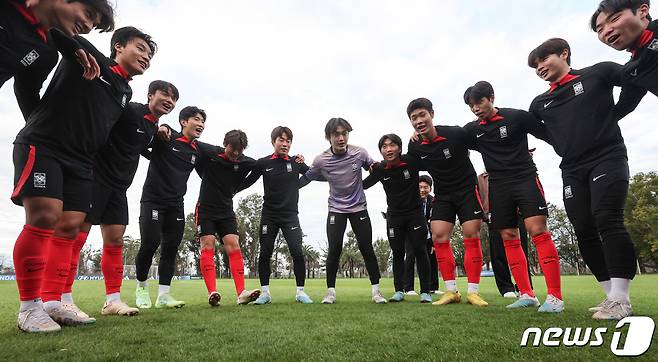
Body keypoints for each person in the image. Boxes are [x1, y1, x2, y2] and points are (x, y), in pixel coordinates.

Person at [11, 26, 154, 332]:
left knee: (70, 227)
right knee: (44, 217)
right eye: (141, 48)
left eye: (150, 54)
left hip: (82, 162)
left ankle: (54, 302)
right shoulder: (89, 56)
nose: (146, 57)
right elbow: (52, 27)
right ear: (118, 46)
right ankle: (29, 308)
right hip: (45, 148)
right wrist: (38, 120)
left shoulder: (125, 92)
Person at [528, 38, 640, 319]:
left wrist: (615, 113)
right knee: (583, 228)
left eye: (544, 59)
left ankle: (621, 298)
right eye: (535, 65)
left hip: (608, 157)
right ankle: (609, 297)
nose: (540, 67)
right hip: (572, 168)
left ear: (564, 53)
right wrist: (562, 143)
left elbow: (634, 80)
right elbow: (538, 130)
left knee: (606, 217)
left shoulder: (597, 73)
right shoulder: (540, 103)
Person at [57, 80, 177, 319]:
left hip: (119, 188)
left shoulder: (153, 127)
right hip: (94, 179)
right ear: (150, 94)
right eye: (165, 94)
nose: (169, 100)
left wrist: (162, 133)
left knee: (115, 241)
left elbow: (144, 150)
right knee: (76, 238)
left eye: (173, 98)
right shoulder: (129, 110)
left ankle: (112, 300)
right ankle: (61, 298)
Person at [463, 81, 563, 312]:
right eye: (471, 105)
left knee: (537, 230)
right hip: (498, 185)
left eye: (480, 102)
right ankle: (526, 293)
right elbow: (452, 139)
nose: (476, 108)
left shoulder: (517, 117)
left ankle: (555, 297)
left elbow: (549, 133)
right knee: (508, 235)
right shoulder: (472, 129)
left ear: (491, 98)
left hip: (525, 178)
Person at [406, 98, 488, 307]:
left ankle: (473, 291)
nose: (419, 121)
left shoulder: (455, 134)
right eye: (414, 118)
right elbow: (409, 168)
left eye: (422, 115)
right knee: (438, 236)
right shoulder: (415, 145)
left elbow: (484, 145)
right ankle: (451, 291)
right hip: (443, 195)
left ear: (432, 114)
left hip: (468, 191)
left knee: (471, 234)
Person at [301, 118, 385, 304]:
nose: (341, 138)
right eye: (336, 134)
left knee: (366, 248)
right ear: (328, 137)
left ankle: (376, 292)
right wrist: (287, 188)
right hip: (336, 209)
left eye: (344, 133)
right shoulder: (321, 160)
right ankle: (330, 292)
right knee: (334, 249)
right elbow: (307, 177)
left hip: (359, 208)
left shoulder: (359, 153)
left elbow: (374, 168)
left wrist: (371, 176)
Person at [134, 106, 206, 309]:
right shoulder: (166, 138)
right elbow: (141, 144)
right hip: (153, 201)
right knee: (150, 243)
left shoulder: (198, 149)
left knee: (171, 248)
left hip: (176, 205)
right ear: (183, 121)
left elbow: (220, 153)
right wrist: (160, 128)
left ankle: (164, 295)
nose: (200, 124)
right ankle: (141, 288)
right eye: (196, 119)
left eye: (203, 121)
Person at [237, 126, 313, 304]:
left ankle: (300, 292)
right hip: (269, 216)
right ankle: (265, 293)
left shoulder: (296, 162)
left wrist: (296, 185)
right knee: (265, 253)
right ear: (273, 142)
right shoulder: (264, 163)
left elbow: (313, 174)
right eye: (281, 140)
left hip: (290, 216)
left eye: (288, 141)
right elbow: (248, 181)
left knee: (297, 252)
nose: (285, 144)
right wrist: (231, 191)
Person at [1, 0, 115, 119]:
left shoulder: (45, 54)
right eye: (88, 14)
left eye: (94, 25)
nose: (89, 27)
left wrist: (40, 131)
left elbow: (27, 93)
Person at [363, 134, 433, 303]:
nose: (388, 149)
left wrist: (416, 138)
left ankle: (425, 291)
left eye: (392, 145)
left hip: (415, 214)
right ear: (380, 151)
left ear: (399, 148)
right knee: (398, 252)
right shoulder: (380, 169)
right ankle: (399, 290)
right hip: (394, 217)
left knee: (420, 250)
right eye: (384, 146)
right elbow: (362, 185)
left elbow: (429, 156)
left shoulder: (411, 161)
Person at [195, 129, 261, 307]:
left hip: (226, 211)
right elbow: (191, 146)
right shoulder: (210, 152)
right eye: (234, 148)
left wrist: (236, 188)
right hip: (206, 209)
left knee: (234, 245)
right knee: (207, 244)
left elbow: (260, 168)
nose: (236, 153)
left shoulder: (245, 162)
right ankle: (212, 292)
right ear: (226, 144)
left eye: (241, 150)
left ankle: (241, 293)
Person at [478, 172, 533, 298]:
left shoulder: (515, 168)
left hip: (518, 213)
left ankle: (524, 286)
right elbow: (480, 197)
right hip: (494, 215)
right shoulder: (482, 178)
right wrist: (484, 214)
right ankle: (506, 287)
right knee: (498, 253)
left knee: (522, 250)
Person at [591, 0, 656, 97]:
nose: (606, 31)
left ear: (642, 11)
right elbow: (621, 108)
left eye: (614, 19)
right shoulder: (631, 71)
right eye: (600, 30)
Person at [402, 175, 441, 295]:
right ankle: (408, 288)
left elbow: (435, 219)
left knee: (432, 258)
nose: (423, 190)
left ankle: (432, 287)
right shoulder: (410, 200)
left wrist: (434, 240)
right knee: (410, 257)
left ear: (430, 188)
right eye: (420, 187)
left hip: (428, 234)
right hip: (411, 233)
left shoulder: (433, 201)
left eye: (426, 187)